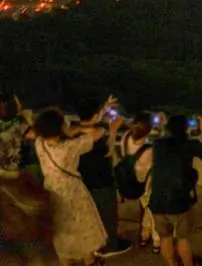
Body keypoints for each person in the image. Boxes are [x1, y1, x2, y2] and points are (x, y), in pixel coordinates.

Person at [33, 101, 112, 266]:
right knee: (82, 228)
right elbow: (98, 133)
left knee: (61, 230)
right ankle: (90, 261)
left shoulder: (39, 143)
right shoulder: (70, 147)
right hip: (73, 193)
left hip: (51, 191)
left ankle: (65, 261)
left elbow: (67, 131)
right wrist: (101, 126)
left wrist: (74, 129)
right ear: (60, 128)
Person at [137, 114, 202, 266]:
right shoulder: (189, 145)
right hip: (179, 199)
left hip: (157, 199)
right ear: (186, 129)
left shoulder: (158, 144)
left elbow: (164, 139)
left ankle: (172, 264)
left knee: (165, 237)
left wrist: (163, 126)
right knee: (183, 238)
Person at [74, 99, 134, 257]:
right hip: (101, 182)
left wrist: (104, 107)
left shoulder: (73, 131)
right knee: (107, 215)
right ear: (95, 115)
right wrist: (114, 129)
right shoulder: (97, 133)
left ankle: (91, 245)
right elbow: (107, 152)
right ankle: (108, 247)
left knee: (90, 216)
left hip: (83, 182)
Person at [121, 112, 159, 253]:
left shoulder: (125, 138)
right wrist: (161, 128)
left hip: (131, 180)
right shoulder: (149, 149)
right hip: (145, 184)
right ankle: (155, 239)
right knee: (152, 210)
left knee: (146, 208)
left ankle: (144, 235)